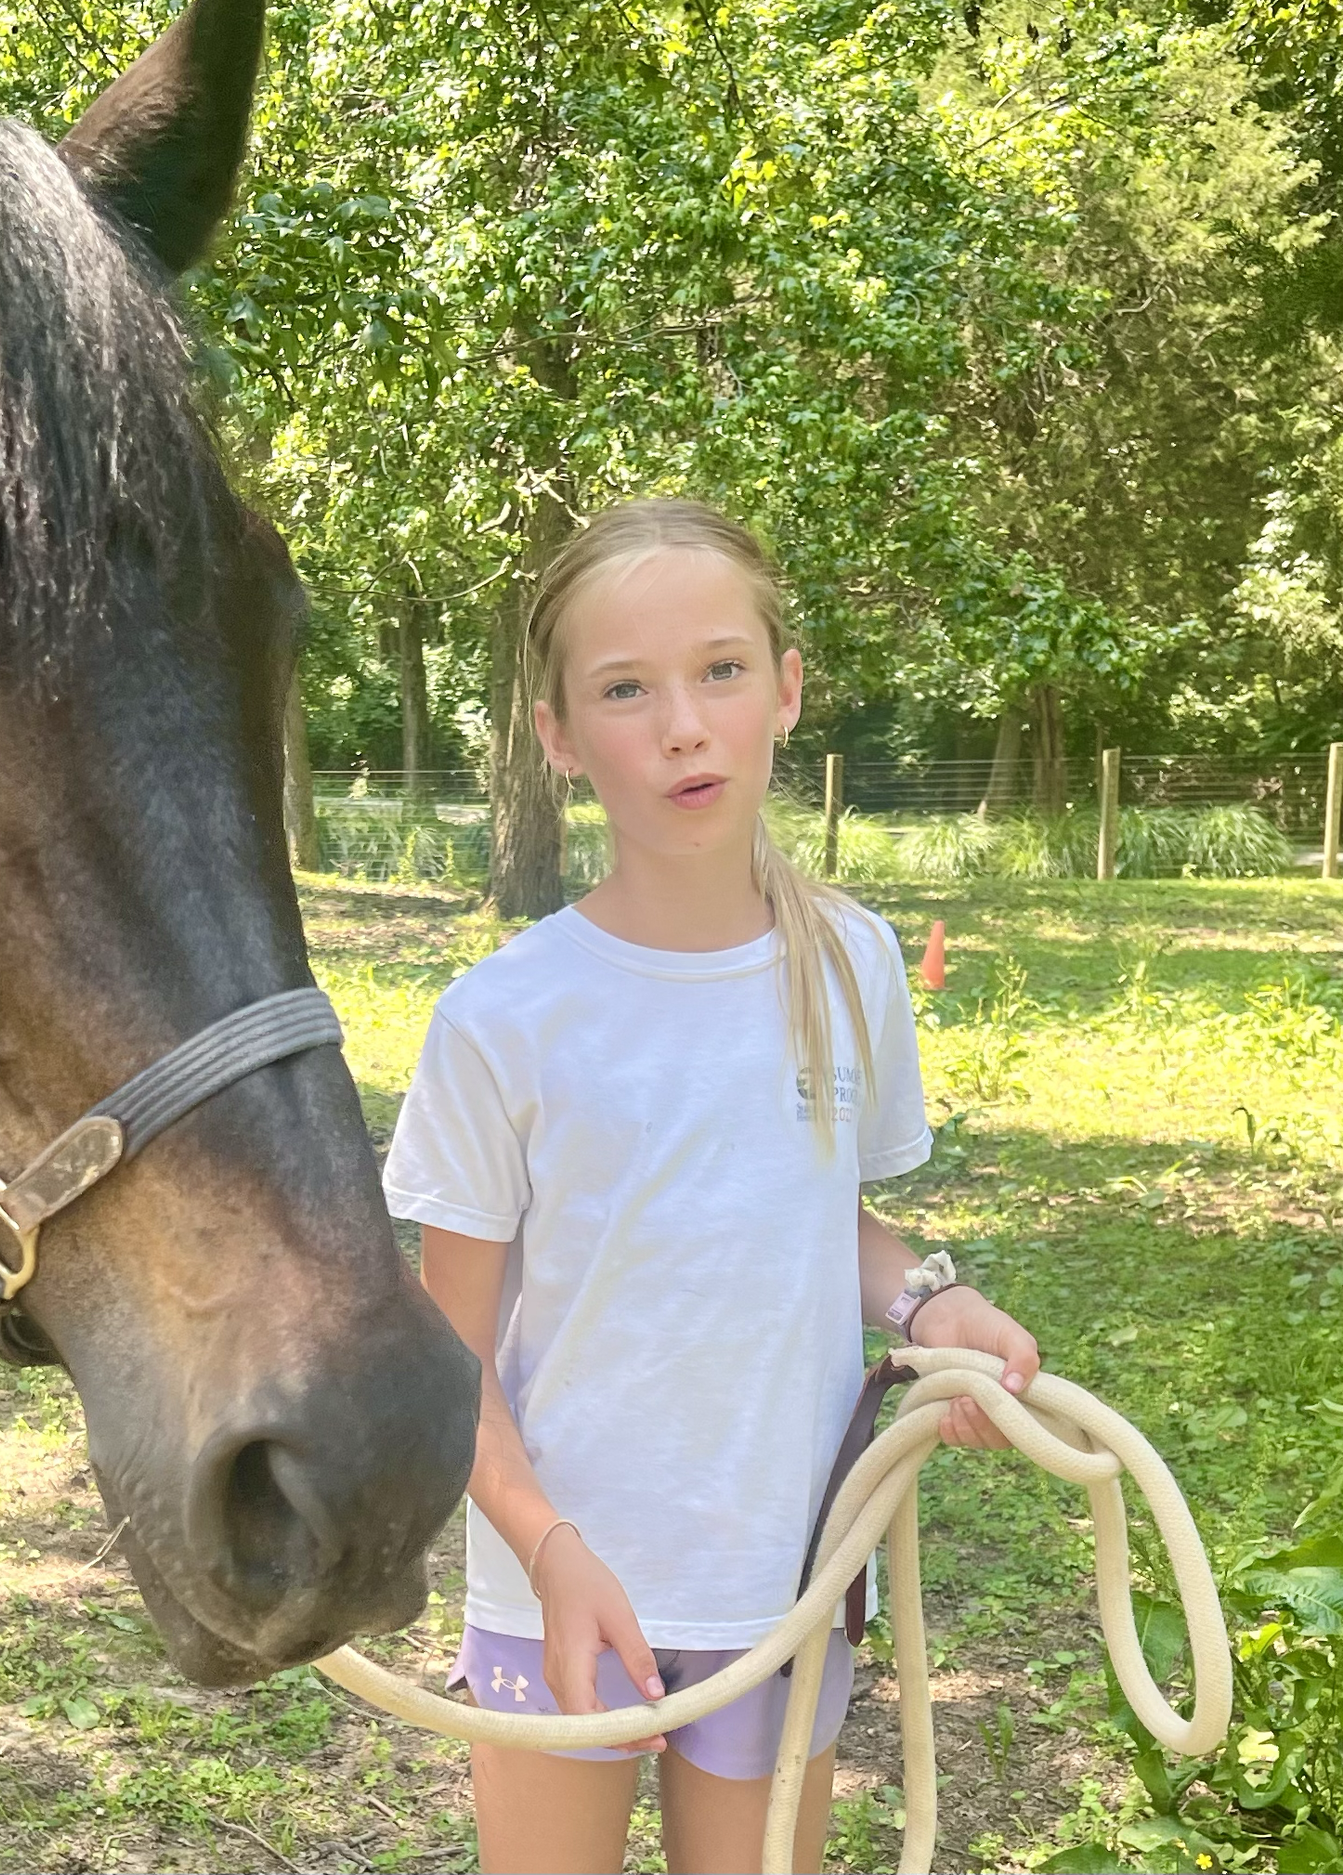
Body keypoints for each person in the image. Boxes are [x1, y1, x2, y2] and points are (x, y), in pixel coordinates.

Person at [381, 498, 1041, 1875]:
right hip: (557, 1581)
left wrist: (934, 1303)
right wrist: (553, 1549)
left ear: (786, 690)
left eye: (721, 670)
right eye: (626, 689)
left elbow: (824, 1221)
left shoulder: (851, 964)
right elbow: (447, 1348)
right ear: (559, 737)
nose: (683, 724)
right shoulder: (505, 1018)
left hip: (775, 1585)